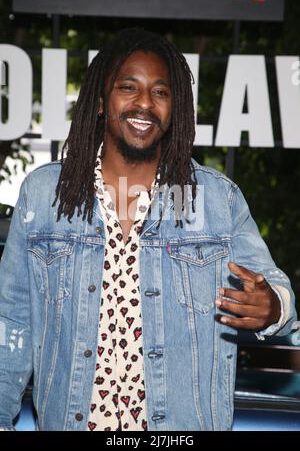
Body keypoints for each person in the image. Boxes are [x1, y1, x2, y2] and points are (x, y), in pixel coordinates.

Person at [0, 28, 297, 432]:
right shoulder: (46, 196)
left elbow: (278, 295)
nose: (144, 103)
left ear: (175, 108)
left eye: (160, 92)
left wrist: (272, 308)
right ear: (102, 101)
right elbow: (11, 324)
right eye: (128, 87)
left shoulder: (211, 199)